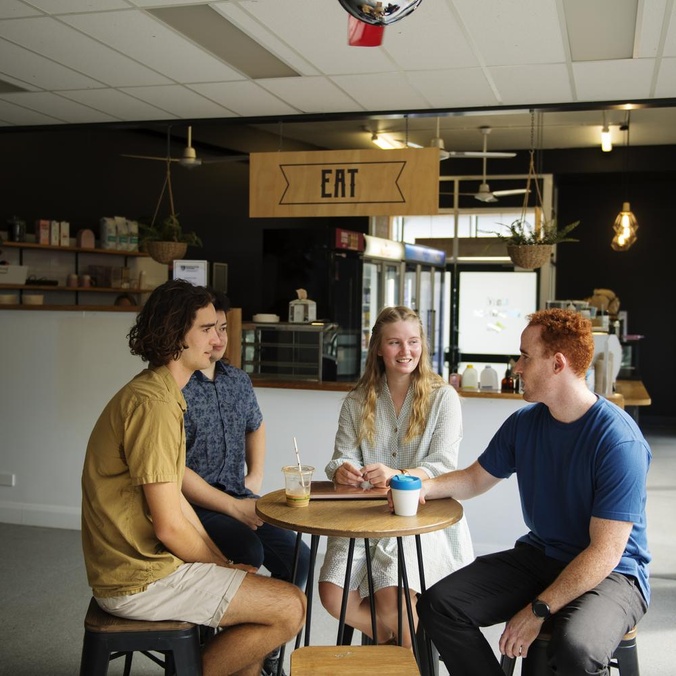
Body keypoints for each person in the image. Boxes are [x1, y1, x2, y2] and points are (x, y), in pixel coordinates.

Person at [81, 279, 306, 676]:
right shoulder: (153, 406)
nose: (217, 338)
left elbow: (180, 505)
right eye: (205, 328)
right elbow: (169, 526)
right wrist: (219, 567)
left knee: (263, 607)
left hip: (147, 566)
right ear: (174, 335)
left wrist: (220, 563)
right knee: (289, 606)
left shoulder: (165, 395)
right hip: (138, 577)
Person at [416, 308, 651, 676]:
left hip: (613, 574)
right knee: (438, 605)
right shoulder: (524, 424)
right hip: (542, 556)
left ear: (557, 364)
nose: (517, 367)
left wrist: (537, 610)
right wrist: (421, 486)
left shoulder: (618, 442)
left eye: (525, 356)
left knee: (576, 647)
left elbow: (605, 552)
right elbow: (476, 478)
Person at [318, 305, 474, 647]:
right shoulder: (357, 401)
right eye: (394, 343)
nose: (406, 351)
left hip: (420, 516)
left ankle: (407, 660)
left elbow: (443, 465)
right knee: (332, 595)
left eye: (413, 342)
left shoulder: (443, 398)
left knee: (392, 596)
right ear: (377, 348)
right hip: (363, 516)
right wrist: (343, 470)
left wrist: (398, 474)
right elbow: (341, 456)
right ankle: (391, 643)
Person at [182, 289, 310, 676]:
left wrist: (253, 478)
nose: (218, 338)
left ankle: (264, 646)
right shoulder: (176, 385)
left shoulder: (237, 379)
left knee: (298, 557)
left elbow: (256, 426)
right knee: (250, 554)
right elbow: (171, 471)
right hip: (195, 506)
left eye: (223, 328)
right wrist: (235, 506)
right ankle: (225, 652)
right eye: (210, 329)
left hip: (241, 498)